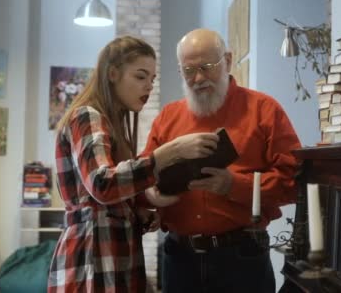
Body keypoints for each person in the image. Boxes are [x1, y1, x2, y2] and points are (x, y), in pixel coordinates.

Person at [47, 36, 220, 293]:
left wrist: (134, 211)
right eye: (140, 77)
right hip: (93, 258)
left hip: (114, 253)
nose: (149, 86)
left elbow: (105, 196)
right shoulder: (88, 115)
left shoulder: (111, 122)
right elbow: (101, 184)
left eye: (152, 79)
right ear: (113, 74)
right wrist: (167, 153)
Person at [142, 29, 301, 292]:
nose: (199, 78)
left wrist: (233, 185)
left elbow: (294, 181)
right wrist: (151, 194)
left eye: (207, 67)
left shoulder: (264, 110)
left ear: (227, 61)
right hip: (179, 258)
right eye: (188, 70)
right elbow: (143, 174)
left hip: (242, 258)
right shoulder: (168, 117)